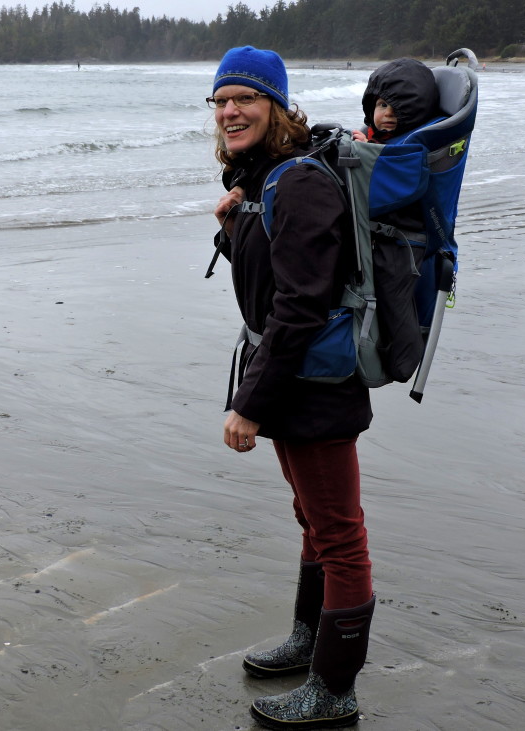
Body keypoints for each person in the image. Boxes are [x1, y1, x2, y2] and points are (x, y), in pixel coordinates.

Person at [208, 46, 375, 729]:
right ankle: (310, 641)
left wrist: (250, 402)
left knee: (339, 534)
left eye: (245, 98)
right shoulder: (264, 176)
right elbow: (271, 276)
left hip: (313, 383)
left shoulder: (297, 181)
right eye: (220, 101)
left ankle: (335, 688)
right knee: (313, 520)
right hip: (293, 377)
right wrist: (231, 225)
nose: (230, 111)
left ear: (276, 105)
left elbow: (301, 306)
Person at [352, 57, 439, 143]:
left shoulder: (419, 139)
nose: (388, 113)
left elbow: (403, 155)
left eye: (400, 107)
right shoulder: (370, 131)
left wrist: (367, 146)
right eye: (383, 105)